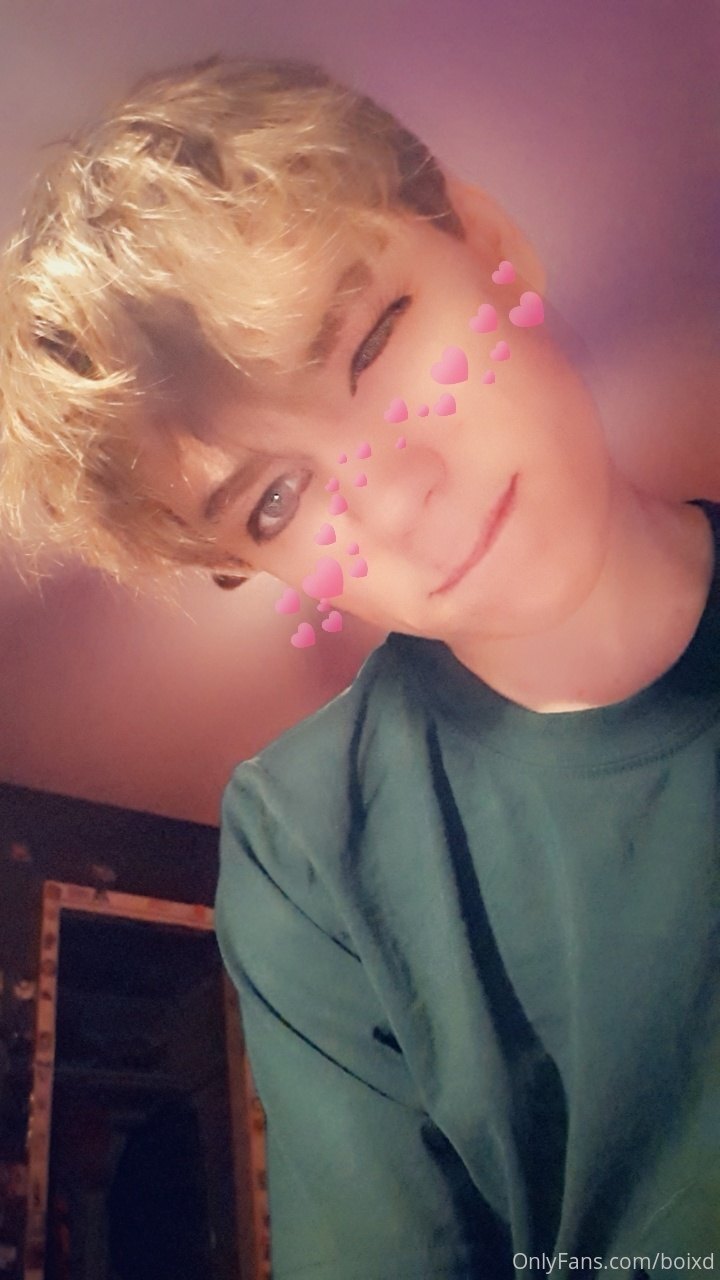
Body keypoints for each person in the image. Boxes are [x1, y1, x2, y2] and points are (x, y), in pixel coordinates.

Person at [1, 57, 718, 1279]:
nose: (398, 496)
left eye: (376, 339)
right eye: (276, 500)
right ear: (246, 562)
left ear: (487, 239)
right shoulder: (308, 847)